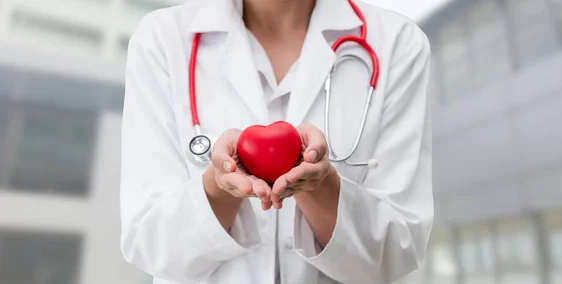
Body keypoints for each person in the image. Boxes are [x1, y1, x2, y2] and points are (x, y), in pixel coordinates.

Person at [119, 0, 433, 283]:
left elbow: (398, 251)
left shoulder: (396, 42)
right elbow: (148, 245)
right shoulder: (162, 40)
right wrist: (218, 188)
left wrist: (320, 186)